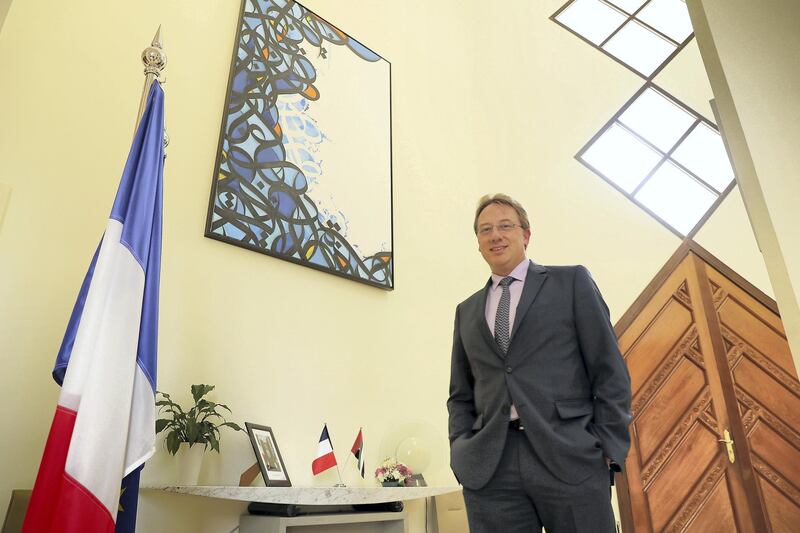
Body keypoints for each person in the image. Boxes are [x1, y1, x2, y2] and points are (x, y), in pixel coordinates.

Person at [447, 193, 632, 533]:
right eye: (485, 229)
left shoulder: (571, 282)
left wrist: (607, 446)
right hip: (491, 467)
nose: (495, 235)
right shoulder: (467, 311)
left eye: (505, 226)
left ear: (526, 235)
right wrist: (460, 449)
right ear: (478, 242)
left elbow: (609, 370)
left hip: (569, 456)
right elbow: (461, 393)